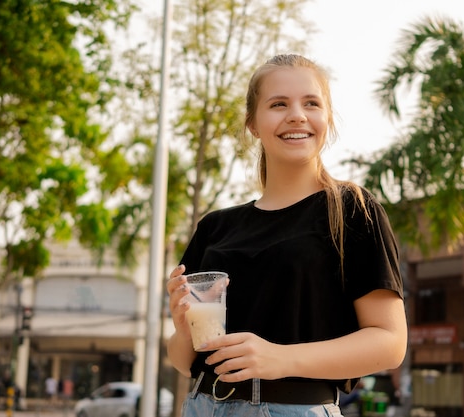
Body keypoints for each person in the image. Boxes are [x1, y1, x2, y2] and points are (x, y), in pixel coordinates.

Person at [166, 54, 407, 417]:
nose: (297, 115)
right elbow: (186, 361)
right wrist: (183, 329)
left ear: (326, 118)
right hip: (202, 405)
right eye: (278, 104)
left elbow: (390, 343)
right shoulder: (214, 227)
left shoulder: (352, 210)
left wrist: (280, 358)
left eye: (311, 103)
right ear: (253, 123)